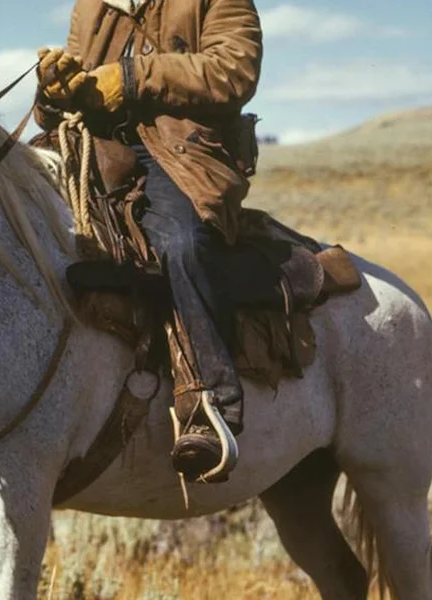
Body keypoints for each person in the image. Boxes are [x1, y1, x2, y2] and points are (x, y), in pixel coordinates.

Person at [35, 0, 263, 481]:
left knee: (180, 242)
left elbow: (234, 70)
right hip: (93, 150)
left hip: (179, 152)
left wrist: (136, 77)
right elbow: (72, 93)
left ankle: (208, 400)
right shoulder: (92, 5)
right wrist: (55, 89)